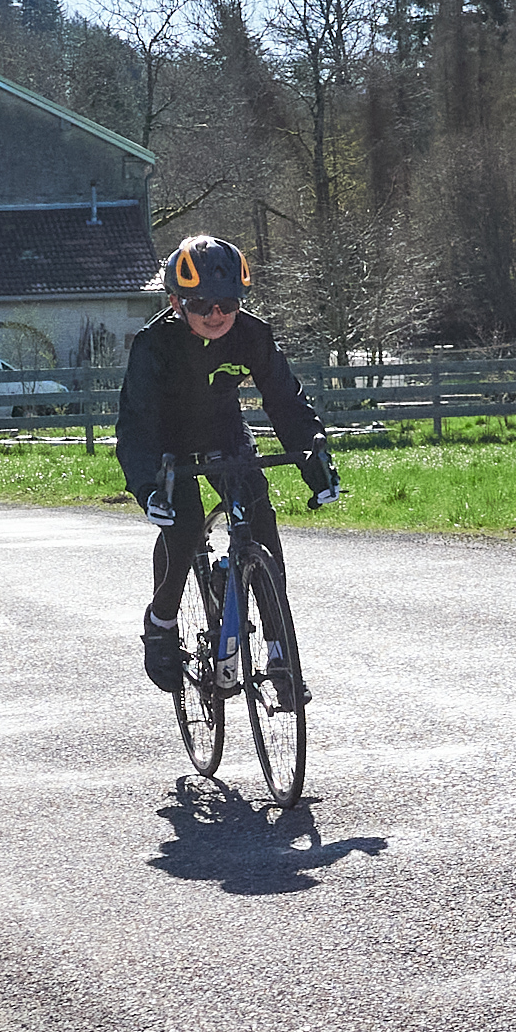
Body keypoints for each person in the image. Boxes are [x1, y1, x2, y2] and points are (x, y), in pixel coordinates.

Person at [116, 234, 341, 708]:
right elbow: (136, 425)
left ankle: (281, 656)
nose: (216, 315)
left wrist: (314, 459)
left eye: (227, 304)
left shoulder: (252, 334)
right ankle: (161, 623)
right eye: (201, 305)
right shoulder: (154, 345)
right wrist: (147, 486)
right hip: (167, 443)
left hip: (223, 431)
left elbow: (285, 401)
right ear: (176, 303)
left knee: (262, 528)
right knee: (183, 530)